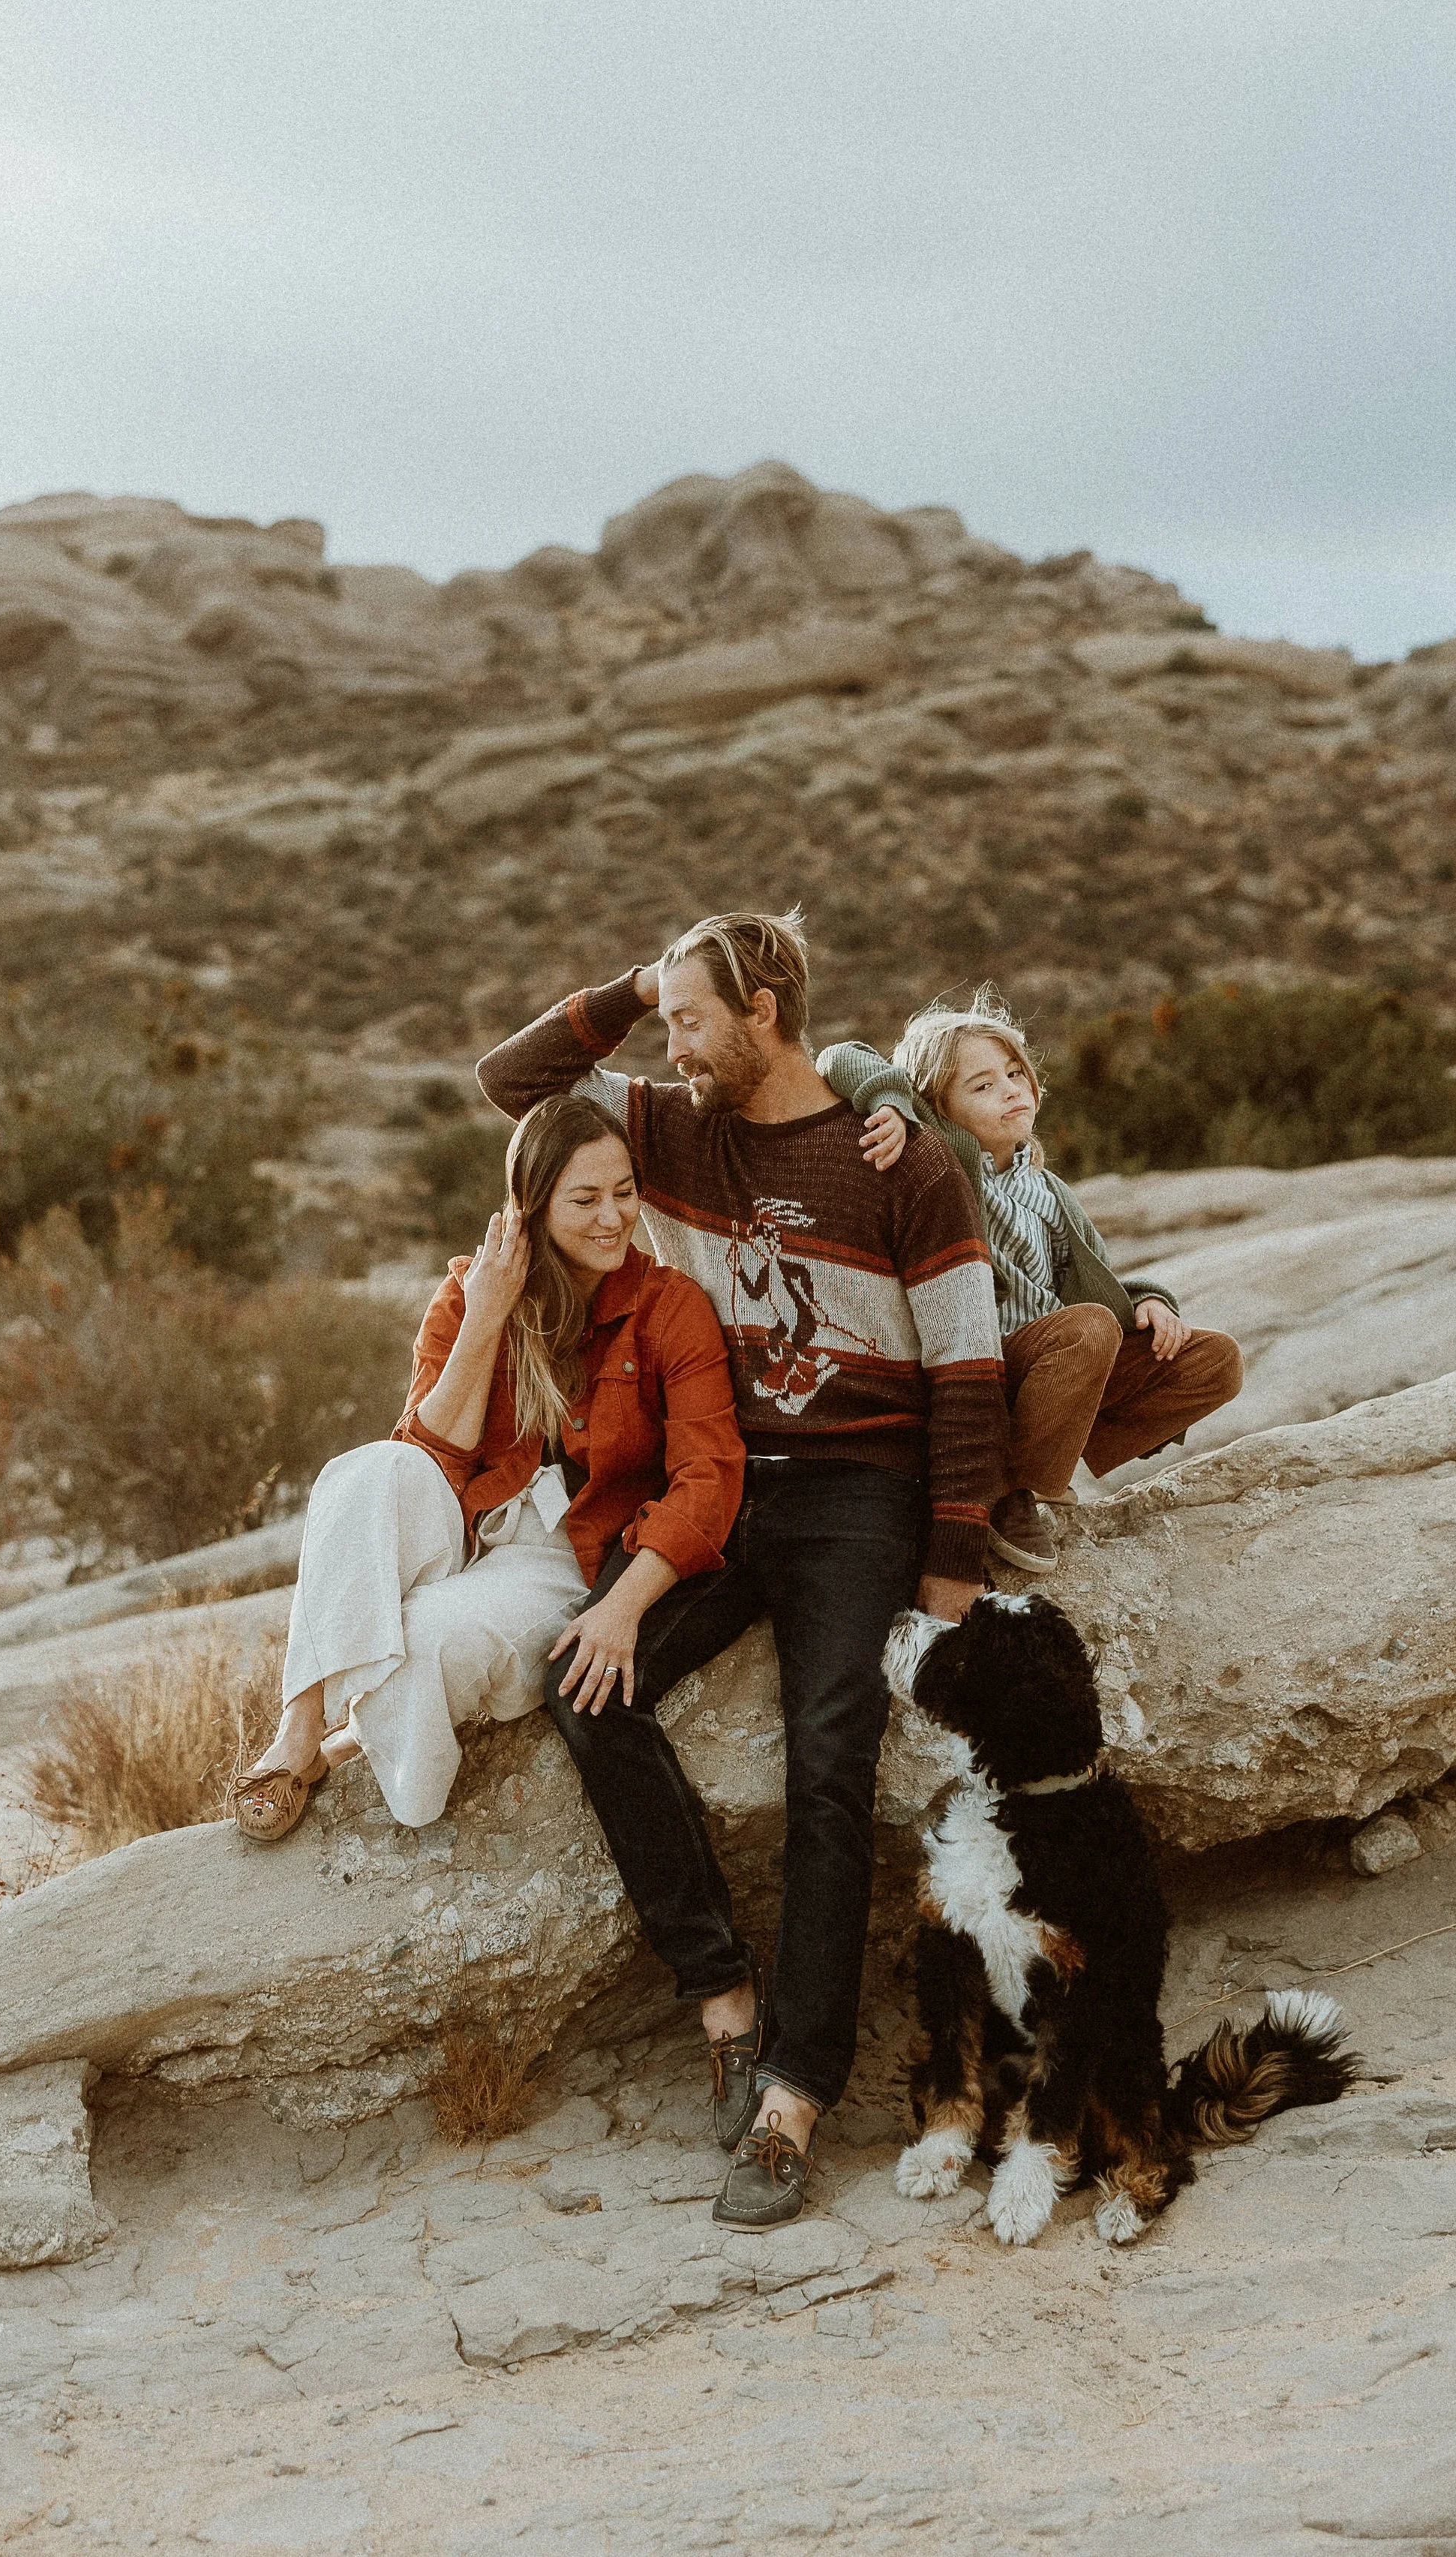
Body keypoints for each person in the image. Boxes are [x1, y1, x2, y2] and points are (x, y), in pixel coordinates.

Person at [477, 909, 1007, 2228]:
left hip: (856, 1499)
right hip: (719, 1482)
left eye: (694, 1019)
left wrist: (949, 1570)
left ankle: (793, 2097)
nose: (674, 1043)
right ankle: (722, 1994)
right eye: (667, 1022)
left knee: (828, 1759)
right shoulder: (675, 1127)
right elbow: (514, 1086)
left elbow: (967, 1369)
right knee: (585, 1682)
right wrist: (640, 981)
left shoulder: (905, 1161)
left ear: (765, 1013)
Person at [233, 1095, 743, 1844]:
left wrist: (624, 1606)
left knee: (427, 1637)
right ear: (531, 1207)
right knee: (360, 1473)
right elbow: (429, 1457)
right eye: (585, 1199)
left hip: (559, 1556)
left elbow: (709, 1476)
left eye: (625, 1193)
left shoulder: (669, 1308)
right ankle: (301, 1727)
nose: (613, 1218)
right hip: (464, 1524)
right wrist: (487, 1314)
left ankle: (365, 1746)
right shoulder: (470, 1292)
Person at [818, 989, 1243, 1568]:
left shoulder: (1048, 1191)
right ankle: (1005, 1491)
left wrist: (1148, 1302)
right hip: (979, 1369)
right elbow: (838, 1056)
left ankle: (1048, 1455)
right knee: (1088, 1331)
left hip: (1056, 1370)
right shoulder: (939, 1156)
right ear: (937, 1105)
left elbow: (1092, 1284)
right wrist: (892, 1102)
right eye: (983, 1086)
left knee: (1214, 1359)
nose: (1011, 1089)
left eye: (1014, 1073)